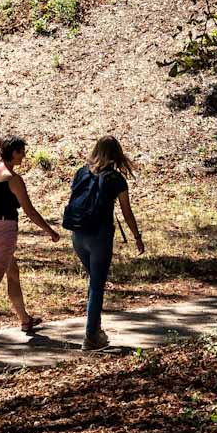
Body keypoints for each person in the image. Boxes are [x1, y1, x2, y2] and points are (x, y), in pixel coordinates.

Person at [0, 135, 60, 342]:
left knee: (13, 272)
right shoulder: (13, 179)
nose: (24, 155)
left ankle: (25, 319)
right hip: (4, 230)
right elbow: (30, 211)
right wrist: (50, 231)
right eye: (21, 151)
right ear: (14, 152)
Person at [65, 135, 145, 351]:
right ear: (116, 154)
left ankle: (96, 330)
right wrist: (137, 236)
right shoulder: (116, 179)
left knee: (94, 282)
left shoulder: (81, 172)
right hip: (100, 235)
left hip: (78, 233)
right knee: (97, 286)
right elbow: (127, 212)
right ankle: (91, 336)